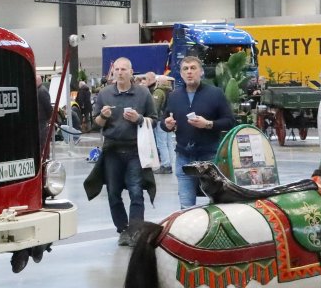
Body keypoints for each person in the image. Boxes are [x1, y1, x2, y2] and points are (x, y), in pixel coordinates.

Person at [92, 58, 159, 246]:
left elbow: (154, 120)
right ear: (113, 72)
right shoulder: (104, 94)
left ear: (131, 72)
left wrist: (139, 119)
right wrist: (103, 116)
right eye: (117, 69)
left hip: (135, 149)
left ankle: (136, 231)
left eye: (124, 69)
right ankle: (122, 229)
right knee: (113, 192)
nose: (120, 72)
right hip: (112, 150)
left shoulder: (143, 93)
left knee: (136, 191)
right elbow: (95, 123)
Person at [162, 55, 235, 208]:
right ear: (181, 74)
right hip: (183, 156)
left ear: (201, 72)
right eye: (185, 69)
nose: (189, 72)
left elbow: (229, 121)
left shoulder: (215, 94)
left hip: (210, 156)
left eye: (193, 68)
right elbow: (164, 121)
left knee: (217, 203)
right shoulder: (174, 96)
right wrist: (167, 125)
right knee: (186, 206)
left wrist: (208, 124)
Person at [142, 71, 176, 174]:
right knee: (169, 143)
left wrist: (152, 118)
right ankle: (171, 164)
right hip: (169, 120)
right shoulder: (171, 92)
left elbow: (155, 107)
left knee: (161, 143)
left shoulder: (158, 92)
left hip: (161, 121)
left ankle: (165, 165)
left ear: (159, 82)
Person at [36, 72, 54, 154]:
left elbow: (47, 106)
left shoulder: (42, 91)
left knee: (43, 140)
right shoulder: (40, 90)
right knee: (42, 140)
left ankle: (45, 156)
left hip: (42, 120)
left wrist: (49, 117)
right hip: (41, 119)